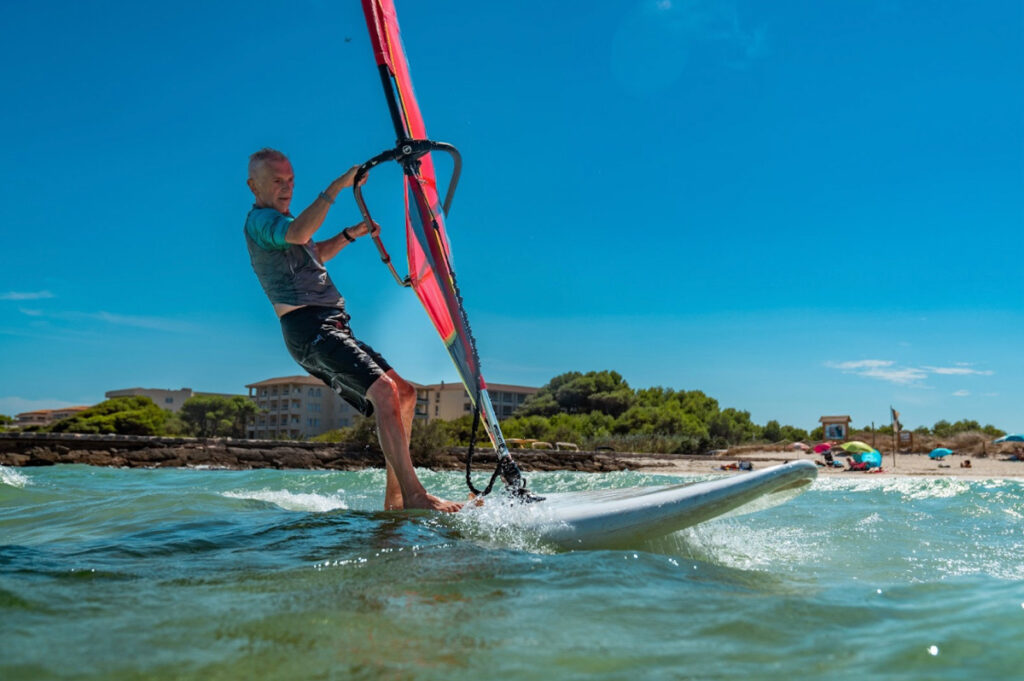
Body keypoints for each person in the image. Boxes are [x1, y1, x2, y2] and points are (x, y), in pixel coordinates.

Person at [244, 148, 462, 513]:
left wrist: (352, 233)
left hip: (330, 325)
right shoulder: (262, 222)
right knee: (385, 392)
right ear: (254, 186)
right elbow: (299, 235)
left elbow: (316, 251)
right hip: (308, 327)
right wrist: (338, 186)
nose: (286, 189)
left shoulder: (285, 223)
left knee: (405, 394)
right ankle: (415, 496)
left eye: (291, 181)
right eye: (277, 182)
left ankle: (396, 501)